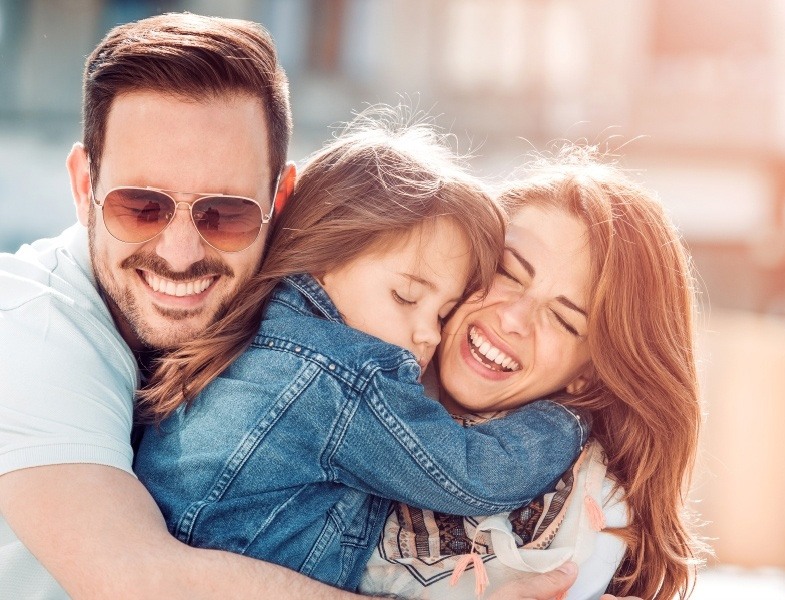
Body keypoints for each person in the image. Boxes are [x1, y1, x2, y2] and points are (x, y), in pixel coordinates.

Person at [0, 12, 582, 600]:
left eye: (224, 213)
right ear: (82, 188)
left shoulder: (266, 315)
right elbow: (135, 581)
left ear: (280, 202)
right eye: (141, 207)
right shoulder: (28, 332)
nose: (180, 253)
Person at [132, 113, 590, 593]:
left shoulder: (255, 330)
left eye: (442, 313)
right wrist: (569, 417)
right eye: (407, 298)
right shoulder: (341, 380)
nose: (428, 336)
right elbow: (478, 474)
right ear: (321, 258)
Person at [359, 147, 708, 599]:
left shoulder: (592, 516)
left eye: (564, 320)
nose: (513, 319)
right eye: (507, 273)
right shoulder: (340, 359)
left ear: (590, 373)